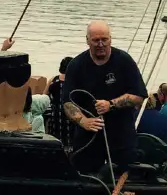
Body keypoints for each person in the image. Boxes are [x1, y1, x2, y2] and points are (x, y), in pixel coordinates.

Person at [62, 21, 146, 174]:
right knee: (83, 175)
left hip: (121, 134)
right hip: (88, 136)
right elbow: (67, 102)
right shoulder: (76, 65)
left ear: (110, 39)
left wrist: (111, 104)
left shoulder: (124, 61)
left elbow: (139, 95)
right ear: (87, 40)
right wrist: (83, 121)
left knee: (126, 176)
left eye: (104, 39)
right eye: (95, 40)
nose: (100, 44)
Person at [45, 56, 74, 148]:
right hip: (71, 115)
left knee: (55, 140)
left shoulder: (53, 80)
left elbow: (44, 96)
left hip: (55, 115)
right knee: (70, 142)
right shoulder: (75, 82)